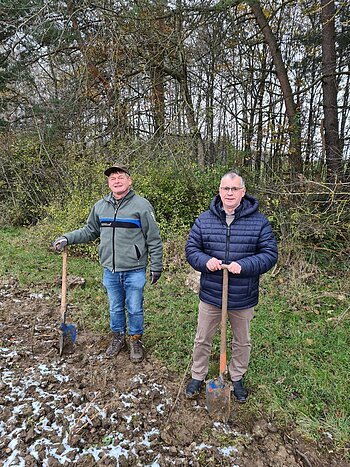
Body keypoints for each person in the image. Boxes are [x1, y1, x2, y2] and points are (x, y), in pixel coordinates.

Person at [53, 163, 163, 363]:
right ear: (108, 183)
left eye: (121, 177)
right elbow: (89, 231)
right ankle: (118, 337)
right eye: (112, 178)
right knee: (115, 307)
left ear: (129, 181)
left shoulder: (141, 205)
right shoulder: (100, 206)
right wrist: (67, 237)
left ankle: (135, 340)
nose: (117, 180)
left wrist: (156, 265)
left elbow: (153, 238)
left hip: (134, 269)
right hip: (110, 269)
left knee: (135, 307)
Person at [185, 171, 278, 402]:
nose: (229, 193)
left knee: (242, 340)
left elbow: (269, 254)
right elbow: (192, 249)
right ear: (219, 190)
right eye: (225, 188)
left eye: (234, 189)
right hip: (211, 293)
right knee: (202, 338)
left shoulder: (259, 222)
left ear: (243, 192)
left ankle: (237, 377)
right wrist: (205, 261)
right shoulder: (205, 220)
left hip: (242, 295)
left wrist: (244, 265)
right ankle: (198, 375)